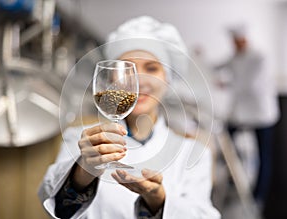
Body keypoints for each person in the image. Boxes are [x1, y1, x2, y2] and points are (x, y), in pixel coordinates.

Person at [38, 16, 220, 219]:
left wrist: (158, 200)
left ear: (168, 79)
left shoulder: (193, 153)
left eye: (151, 68)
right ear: (110, 80)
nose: (139, 80)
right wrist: (82, 171)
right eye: (126, 69)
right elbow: (52, 203)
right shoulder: (81, 140)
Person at [215, 25, 279, 207]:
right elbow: (217, 66)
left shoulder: (260, 57)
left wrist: (225, 84)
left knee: (263, 155)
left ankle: (258, 197)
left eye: (237, 41)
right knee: (227, 142)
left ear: (244, 39)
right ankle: (232, 179)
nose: (235, 45)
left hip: (261, 114)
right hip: (242, 114)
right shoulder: (235, 57)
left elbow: (251, 85)